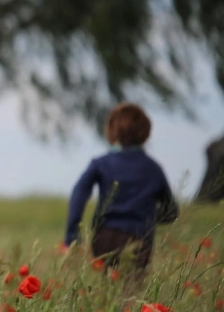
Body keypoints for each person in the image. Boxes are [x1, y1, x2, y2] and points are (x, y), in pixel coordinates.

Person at [64, 102, 178, 271]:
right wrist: (147, 218)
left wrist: (72, 236)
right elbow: (171, 211)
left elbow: (78, 195)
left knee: (108, 282)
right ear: (145, 133)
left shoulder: (101, 164)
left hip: (105, 237)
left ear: (112, 131)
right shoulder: (153, 169)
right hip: (139, 238)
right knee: (133, 285)